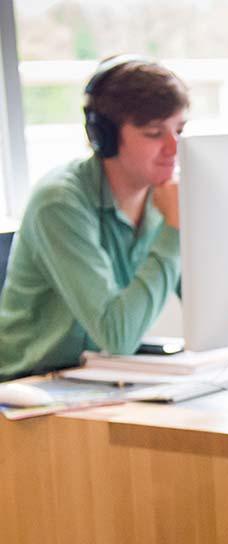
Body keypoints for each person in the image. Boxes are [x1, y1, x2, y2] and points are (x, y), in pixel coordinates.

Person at [0, 55, 188, 379]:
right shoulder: (59, 203)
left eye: (180, 130)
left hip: (102, 379)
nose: (174, 148)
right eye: (154, 133)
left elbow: (216, 308)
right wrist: (174, 230)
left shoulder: (166, 197)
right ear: (105, 136)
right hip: (30, 390)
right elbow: (118, 337)